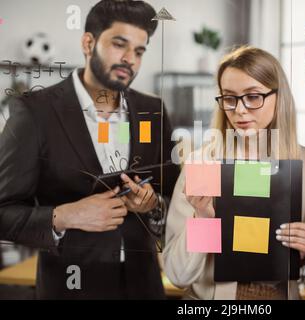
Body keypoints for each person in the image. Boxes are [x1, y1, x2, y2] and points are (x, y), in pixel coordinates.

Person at [0, 0, 179, 299]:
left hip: (145, 288)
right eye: (119, 44)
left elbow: (175, 195)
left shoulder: (153, 111)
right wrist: (65, 216)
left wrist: (154, 206)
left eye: (139, 51)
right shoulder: (34, 113)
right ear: (88, 42)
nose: (129, 59)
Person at [163, 46, 305, 300]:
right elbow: (178, 275)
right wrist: (203, 219)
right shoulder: (203, 163)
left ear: (278, 97)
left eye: (252, 96)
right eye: (229, 98)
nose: (239, 110)